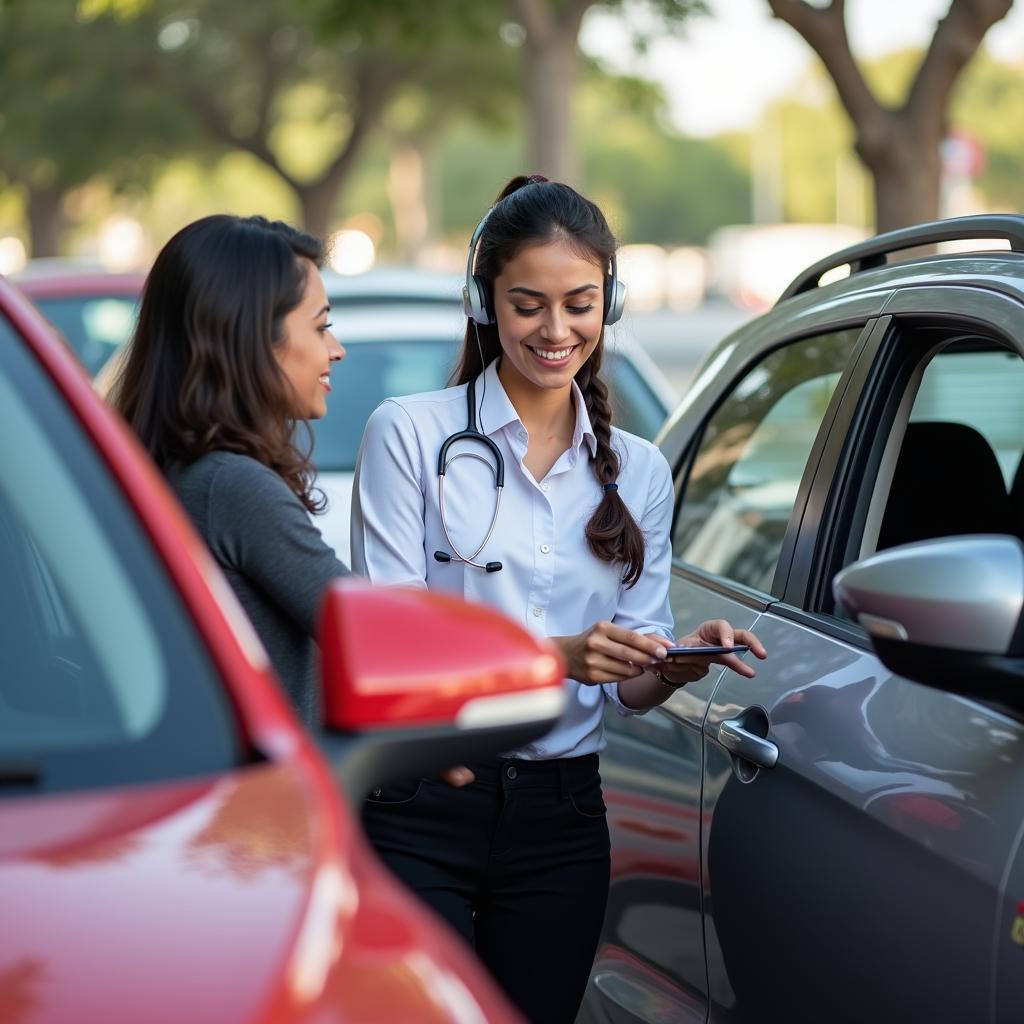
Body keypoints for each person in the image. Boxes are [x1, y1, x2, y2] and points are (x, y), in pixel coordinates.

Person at [350, 175, 766, 1023]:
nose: (555, 330)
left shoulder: (642, 471)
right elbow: (391, 651)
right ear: (484, 302)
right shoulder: (409, 434)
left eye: (579, 303)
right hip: (424, 799)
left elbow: (627, 689)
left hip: (562, 817)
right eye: (527, 304)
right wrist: (556, 659)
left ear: (608, 302)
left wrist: (673, 662)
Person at [110, 214, 349, 725]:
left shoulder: (168, 470)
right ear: (251, 338)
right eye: (321, 325)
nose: (336, 349)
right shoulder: (231, 487)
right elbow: (372, 636)